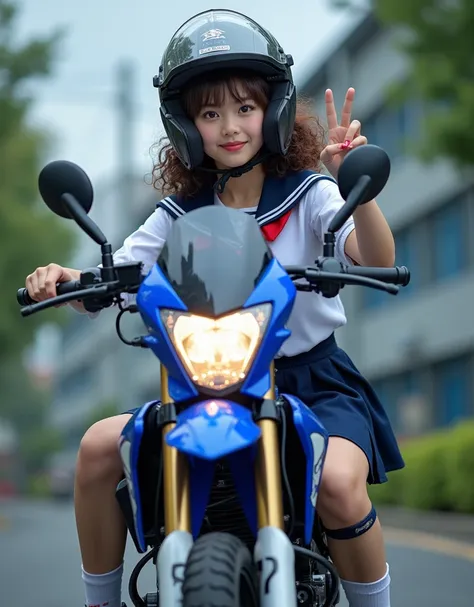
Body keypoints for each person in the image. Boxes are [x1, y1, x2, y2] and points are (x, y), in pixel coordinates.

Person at [24, 9, 403, 607]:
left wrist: (352, 184)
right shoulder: (176, 214)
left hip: (312, 381)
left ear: (272, 111)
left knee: (335, 482)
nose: (230, 125)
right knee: (99, 447)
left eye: (244, 108)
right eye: (209, 112)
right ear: (185, 125)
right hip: (202, 383)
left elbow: (374, 255)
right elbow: (116, 273)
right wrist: (66, 277)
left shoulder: (311, 193)